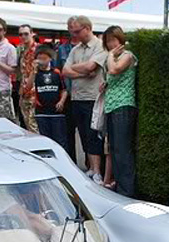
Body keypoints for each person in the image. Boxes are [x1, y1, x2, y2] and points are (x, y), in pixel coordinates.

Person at [62, 15, 108, 184]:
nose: (74, 35)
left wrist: (76, 69)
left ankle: (97, 171)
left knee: (93, 134)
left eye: (76, 31)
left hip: (92, 98)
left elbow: (91, 67)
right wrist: (83, 72)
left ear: (87, 28)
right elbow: (65, 71)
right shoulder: (76, 49)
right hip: (77, 97)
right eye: (72, 32)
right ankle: (91, 168)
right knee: (82, 134)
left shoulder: (99, 46)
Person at [101, 26, 138, 197]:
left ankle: (127, 191)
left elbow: (114, 69)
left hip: (123, 107)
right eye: (107, 41)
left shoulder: (127, 56)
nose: (110, 44)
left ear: (120, 40)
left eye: (113, 40)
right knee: (114, 149)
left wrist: (109, 56)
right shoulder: (113, 58)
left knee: (123, 151)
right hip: (111, 107)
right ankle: (119, 188)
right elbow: (113, 76)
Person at [30, 45, 68, 151]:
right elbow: (28, 87)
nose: (41, 61)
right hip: (41, 111)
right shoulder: (36, 73)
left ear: (50, 59)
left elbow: (64, 90)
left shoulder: (56, 72)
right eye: (39, 58)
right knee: (44, 140)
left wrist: (61, 101)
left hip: (56, 112)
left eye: (44, 58)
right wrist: (33, 72)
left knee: (60, 139)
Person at [57, 32, 80, 162]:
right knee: (68, 133)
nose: (74, 31)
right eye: (71, 28)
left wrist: (71, 70)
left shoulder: (85, 48)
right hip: (67, 95)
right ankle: (72, 162)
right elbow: (60, 72)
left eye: (76, 28)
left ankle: (91, 167)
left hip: (82, 94)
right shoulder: (62, 49)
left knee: (86, 134)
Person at [16, 24, 39, 132]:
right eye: (21, 34)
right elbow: (23, 73)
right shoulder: (22, 50)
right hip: (24, 92)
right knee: (27, 125)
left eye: (26, 34)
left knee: (33, 125)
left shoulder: (37, 50)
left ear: (32, 34)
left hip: (34, 93)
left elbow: (34, 73)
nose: (23, 37)